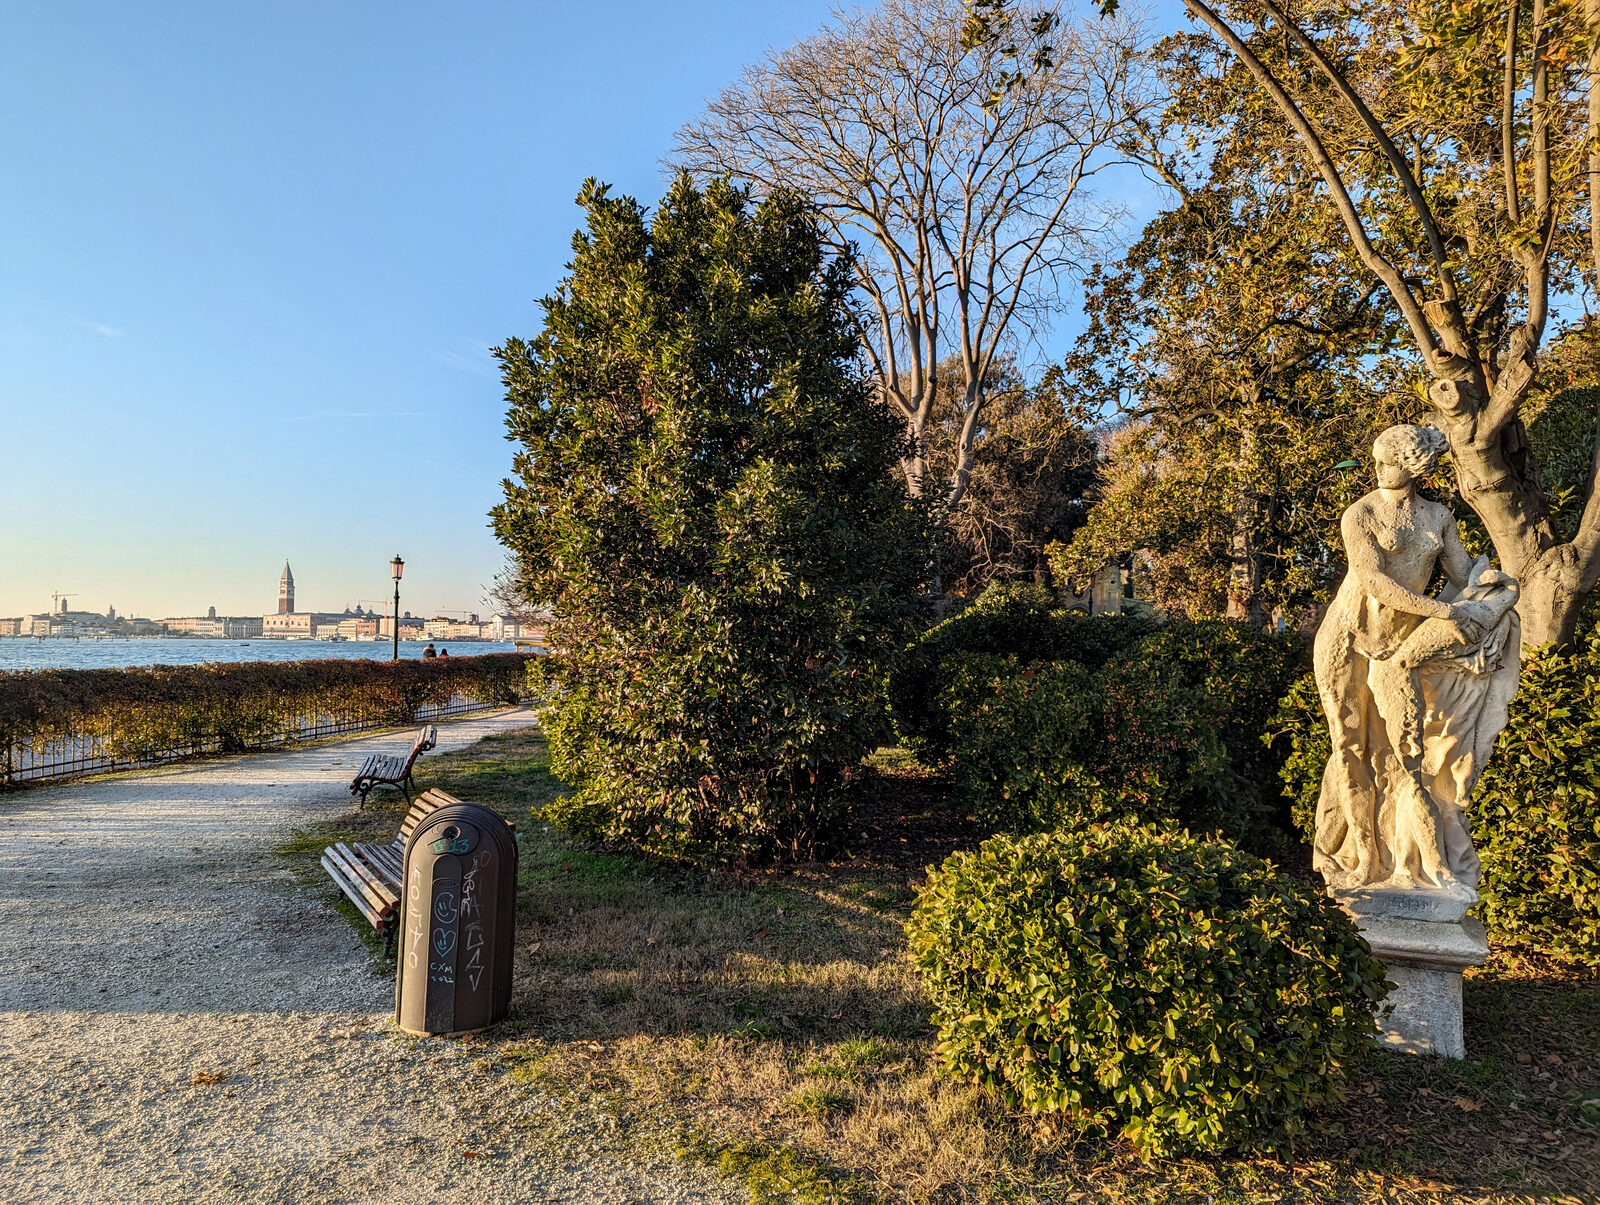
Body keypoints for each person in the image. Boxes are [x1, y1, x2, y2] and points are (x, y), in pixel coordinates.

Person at [1312, 424, 1520, 903]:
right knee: (1350, 747)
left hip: (1400, 643)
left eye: (1389, 463)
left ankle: (1402, 858)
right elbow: (1373, 582)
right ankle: (1363, 860)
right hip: (1348, 639)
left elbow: (1461, 570)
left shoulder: (1437, 517)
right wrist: (1447, 611)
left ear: (1414, 468)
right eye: (1379, 461)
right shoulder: (1360, 514)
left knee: (1400, 752)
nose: (1379, 470)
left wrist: (1485, 578)